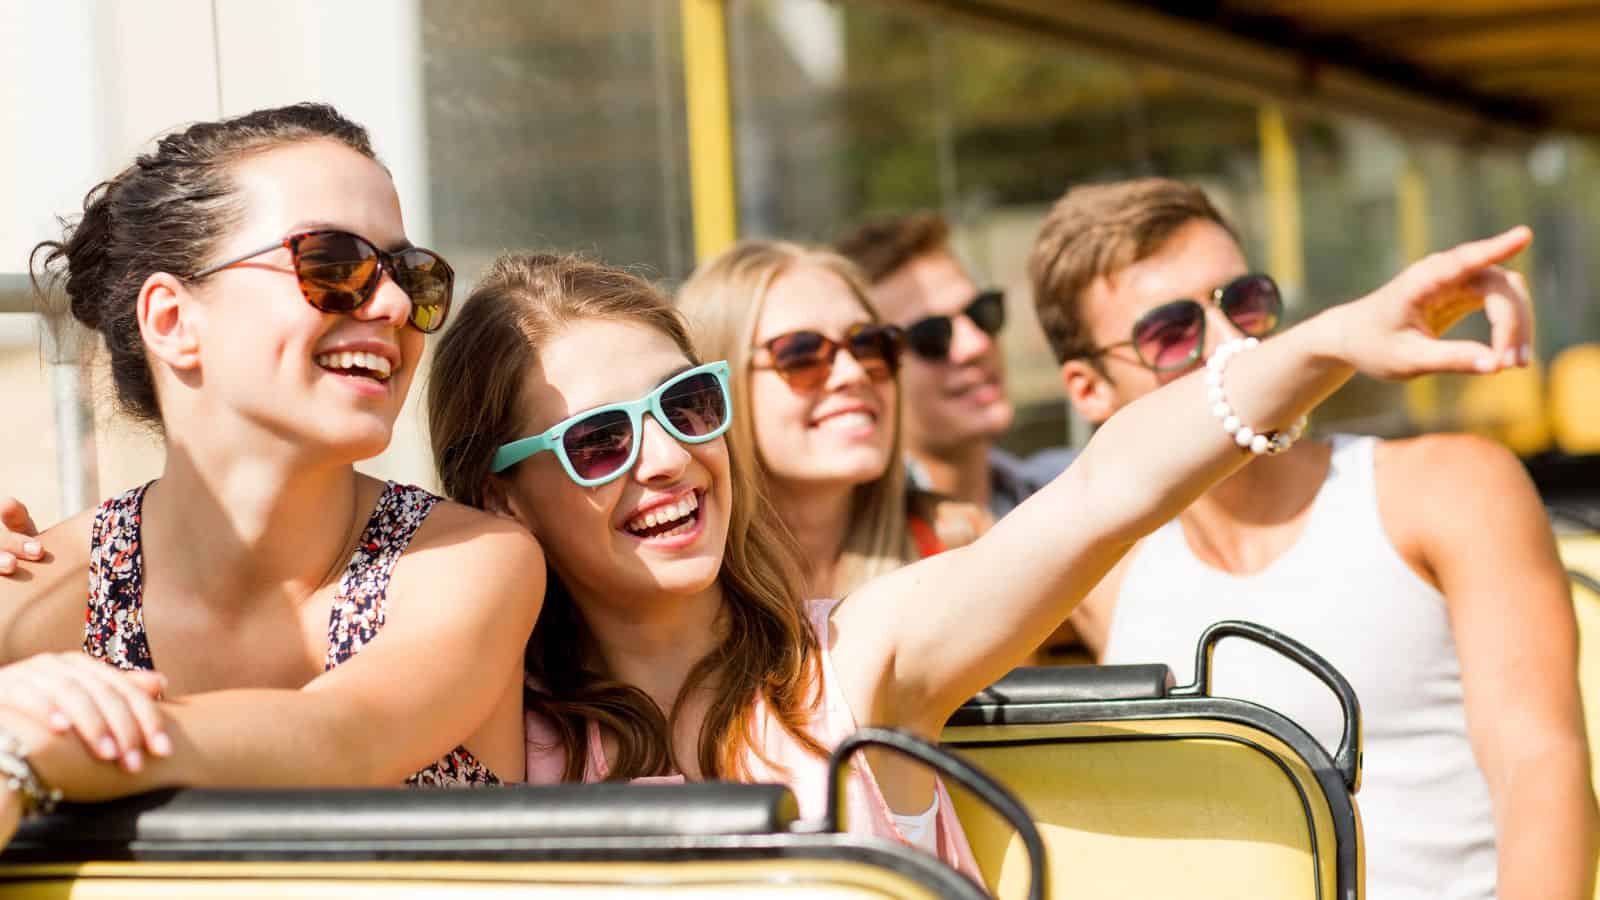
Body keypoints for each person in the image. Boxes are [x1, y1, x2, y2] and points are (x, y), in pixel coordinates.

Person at [415, 225, 1533, 875]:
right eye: (602, 440)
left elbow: (1106, 488)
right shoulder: (493, 738)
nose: (666, 459)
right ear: (501, 500)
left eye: (690, 404)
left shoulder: (856, 661)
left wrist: (1325, 343)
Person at [1027, 177, 1596, 900]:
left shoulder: (1444, 487)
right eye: (1172, 332)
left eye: (1245, 301)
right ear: (1087, 389)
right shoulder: (1103, 570)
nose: (1232, 344)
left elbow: (1540, 766)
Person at [0, 104, 542, 848]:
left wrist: (41, 738)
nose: (391, 306)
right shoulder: (31, 595)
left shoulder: (469, 562)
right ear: (171, 321)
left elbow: (341, 740)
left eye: (412, 277)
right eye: (331, 263)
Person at [673, 240, 984, 599]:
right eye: (801, 354)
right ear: (716, 393)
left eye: (870, 345)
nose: (852, 373)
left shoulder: (962, 546)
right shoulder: (682, 595)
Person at [835, 213, 1073, 519]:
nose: (976, 345)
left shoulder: (1069, 489)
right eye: (931, 335)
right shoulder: (855, 551)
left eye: (981, 313)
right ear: (869, 371)